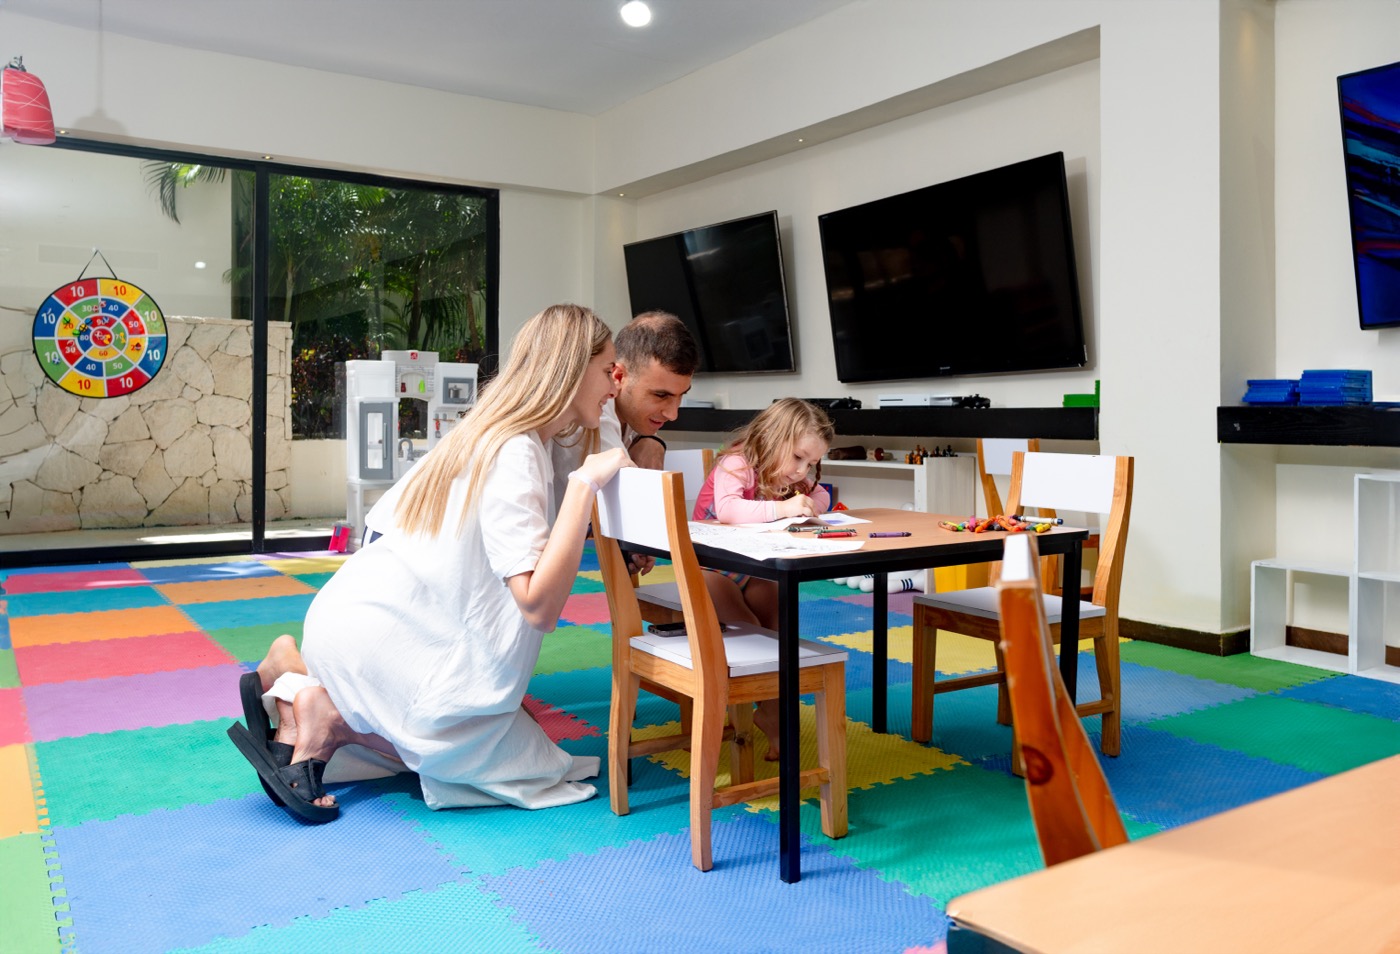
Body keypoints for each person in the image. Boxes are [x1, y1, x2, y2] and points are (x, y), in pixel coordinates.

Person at [228, 304, 632, 823]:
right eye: (608, 371)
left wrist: (600, 444)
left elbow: (599, 442)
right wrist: (584, 486)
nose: (615, 386)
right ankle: (327, 712)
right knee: (515, 769)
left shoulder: (506, 434)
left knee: (527, 749)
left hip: (361, 614)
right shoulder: (517, 451)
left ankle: (296, 677)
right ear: (572, 369)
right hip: (387, 637)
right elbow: (538, 607)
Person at [689, 398, 835, 759]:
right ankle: (774, 716)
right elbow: (728, 509)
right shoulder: (736, 463)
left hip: (754, 568)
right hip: (708, 568)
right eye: (798, 458)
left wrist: (816, 500)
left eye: (811, 463)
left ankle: (771, 713)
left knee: (778, 624)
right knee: (750, 629)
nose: (802, 471)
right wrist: (784, 508)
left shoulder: (787, 478)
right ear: (774, 438)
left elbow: (821, 495)